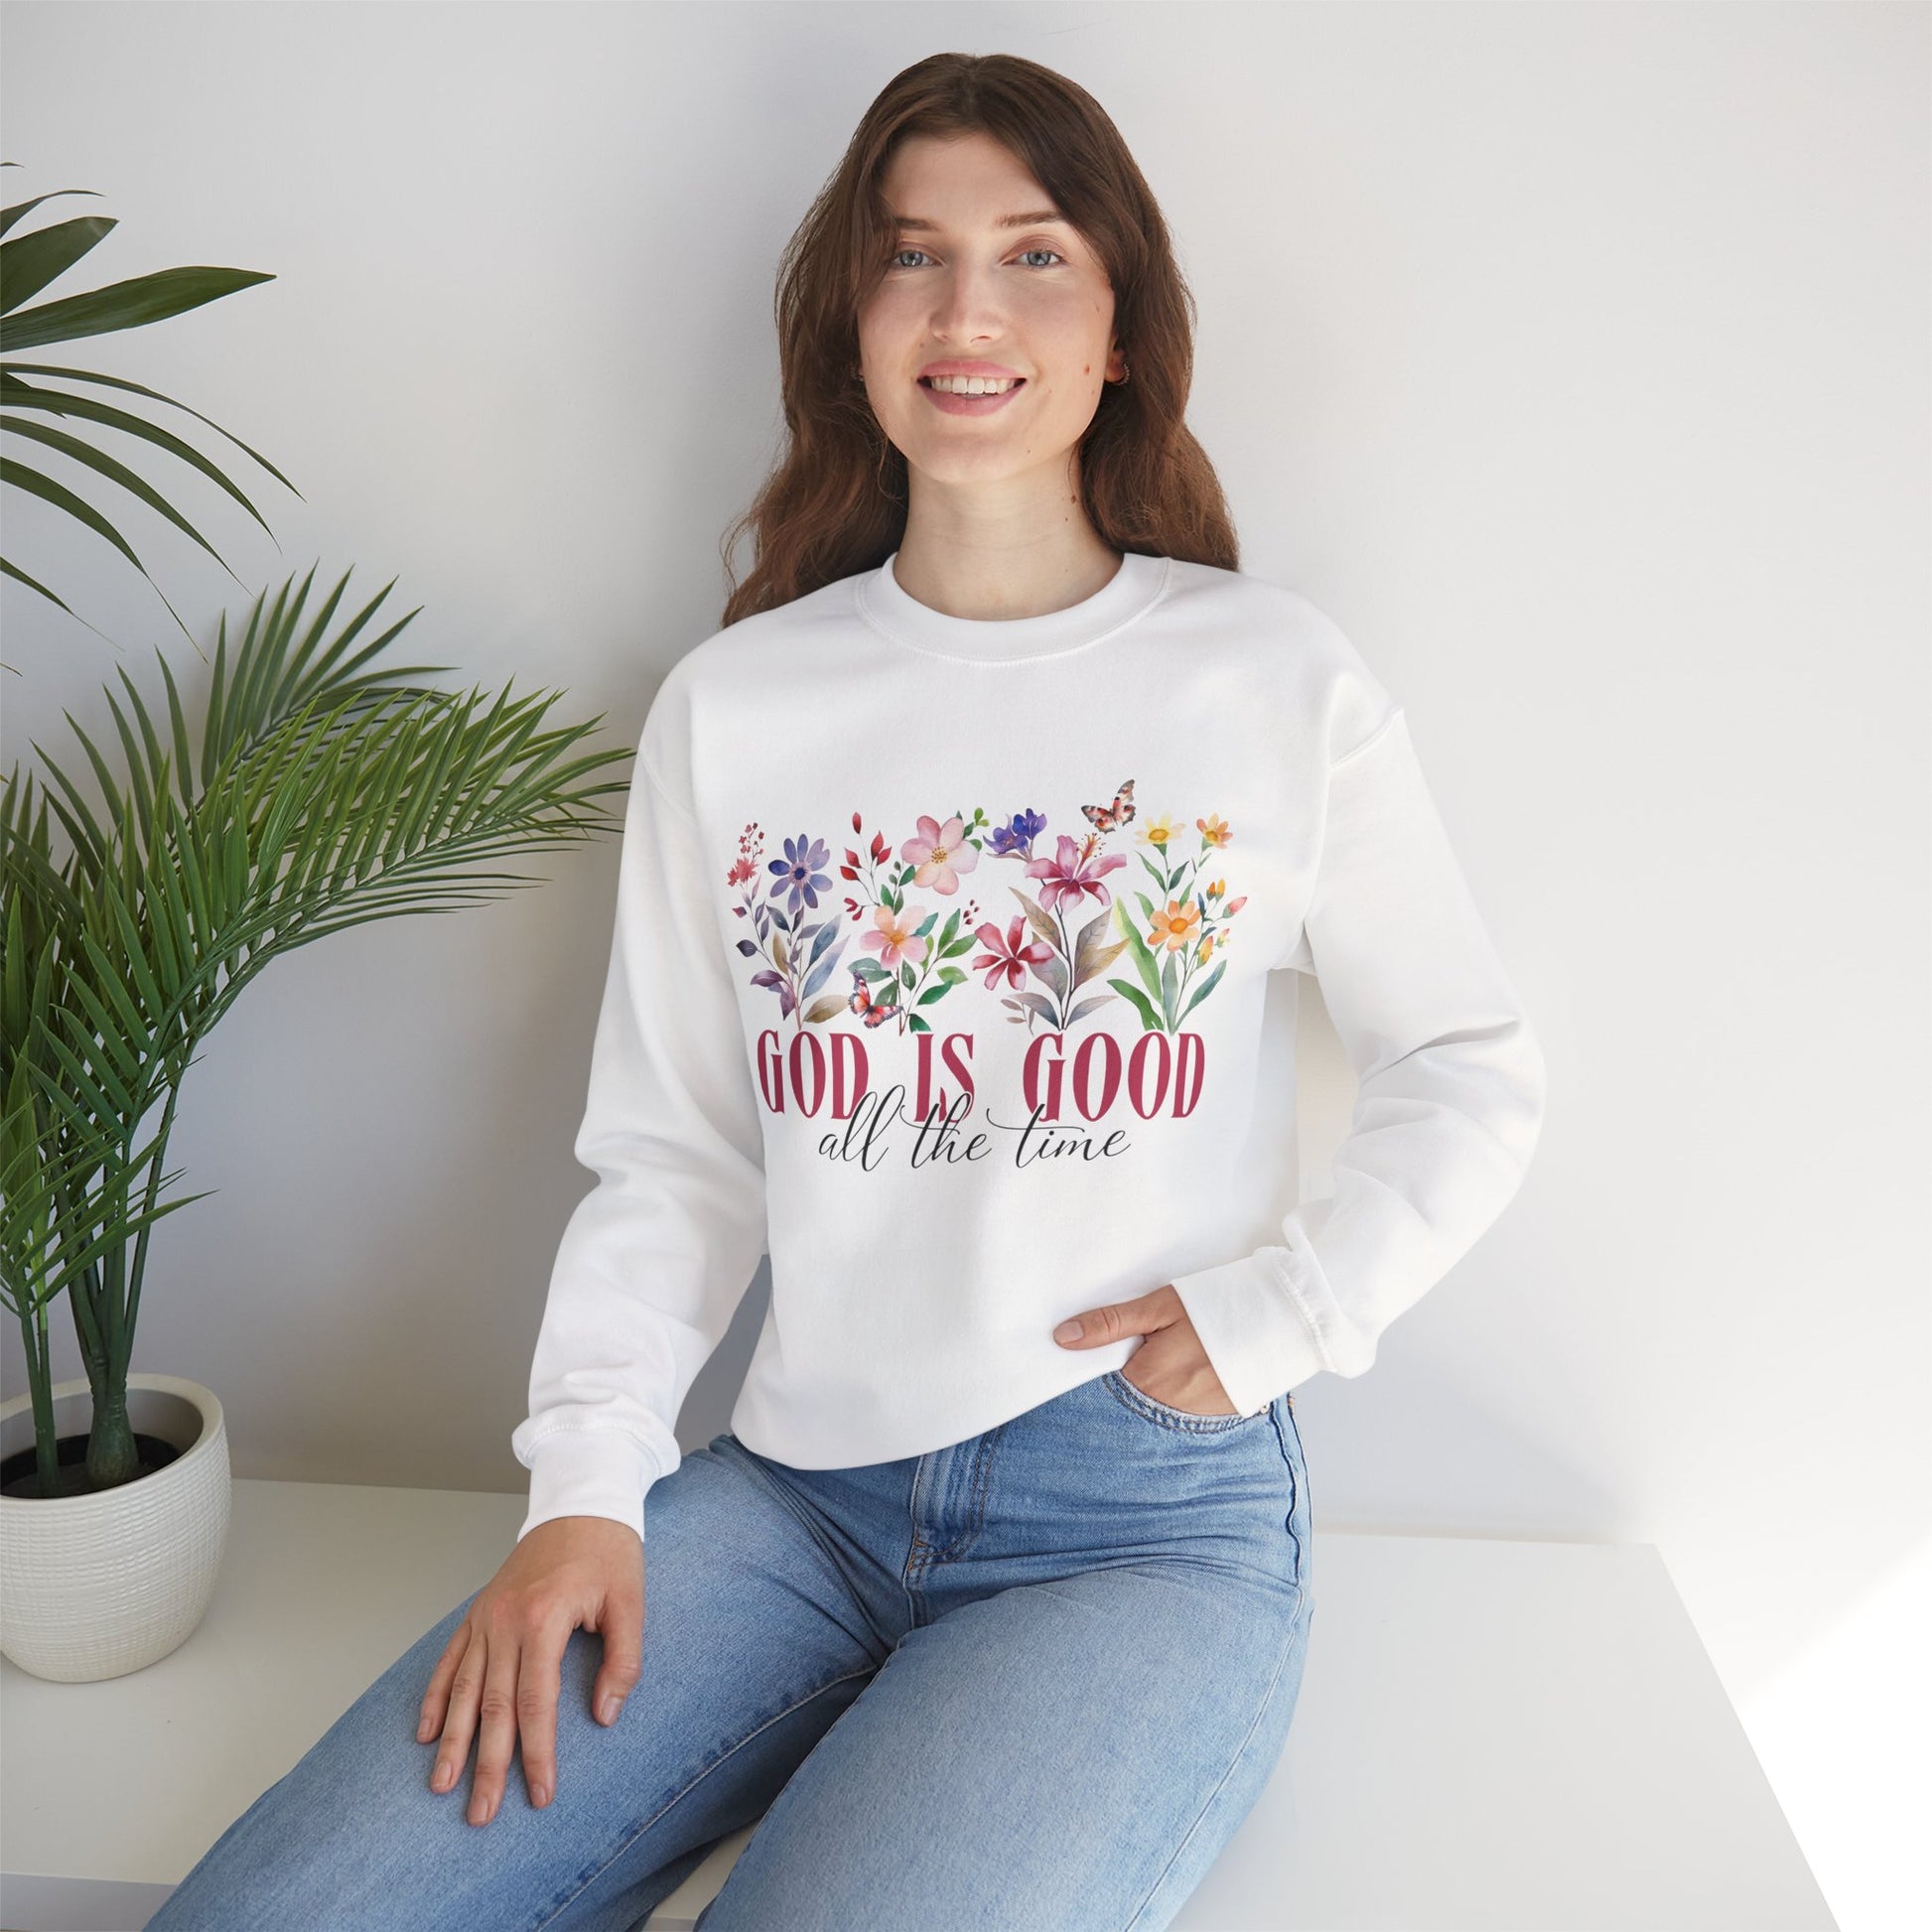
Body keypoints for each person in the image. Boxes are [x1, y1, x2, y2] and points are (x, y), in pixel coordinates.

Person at [148, 51, 1546, 1932]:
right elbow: (676, 1158)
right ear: (854, 322)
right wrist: (586, 1484)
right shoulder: (743, 707)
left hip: (1135, 1527)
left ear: (1120, 324)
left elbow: (1466, 1060)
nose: (968, 312)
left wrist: (1288, 1305)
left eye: (1034, 256)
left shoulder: (1268, 683)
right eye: (912, 258)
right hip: (793, 1496)